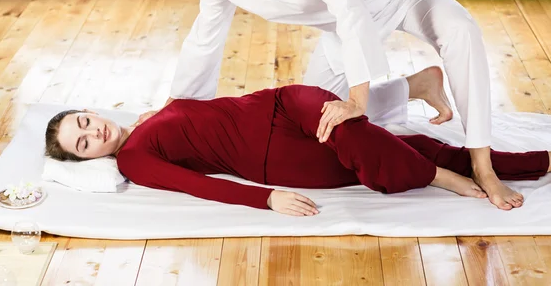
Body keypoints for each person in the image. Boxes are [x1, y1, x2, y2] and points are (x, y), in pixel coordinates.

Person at [156, 0, 519, 210]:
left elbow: (348, 4)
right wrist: (175, 107)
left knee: (461, 30)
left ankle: (483, 166)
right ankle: (416, 87)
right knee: (321, 130)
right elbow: (203, 41)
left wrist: (357, 100)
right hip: (340, 31)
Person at [44, 80, 549, 217]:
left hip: (284, 102)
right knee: (407, 145)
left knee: (350, 123)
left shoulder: (145, 114)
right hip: (277, 158)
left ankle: (476, 170)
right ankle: (467, 172)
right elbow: (199, 186)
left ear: (92, 110)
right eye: (82, 144)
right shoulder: (134, 161)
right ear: (87, 159)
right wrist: (265, 198)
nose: (94, 134)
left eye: (85, 122)